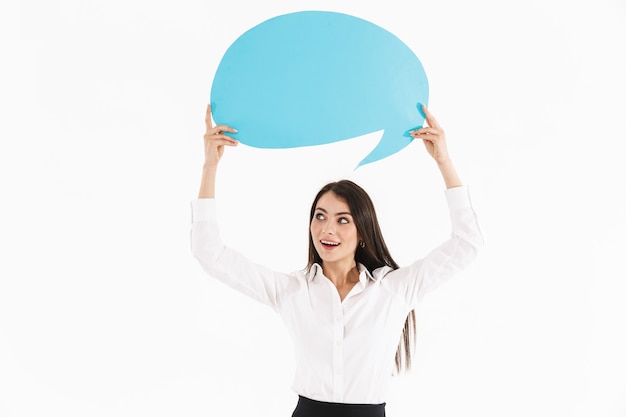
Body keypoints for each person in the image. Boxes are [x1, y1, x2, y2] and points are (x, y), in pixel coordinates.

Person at [191, 103, 483, 417]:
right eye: (320, 216)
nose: (328, 229)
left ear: (362, 232)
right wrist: (210, 166)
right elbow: (209, 252)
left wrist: (443, 160)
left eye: (343, 220)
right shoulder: (292, 290)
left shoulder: (393, 290)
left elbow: (467, 243)